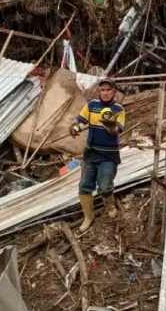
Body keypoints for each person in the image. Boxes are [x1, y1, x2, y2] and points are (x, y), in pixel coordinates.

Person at [72, 78, 126, 232]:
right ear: (99, 91)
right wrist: (75, 127)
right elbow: (81, 121)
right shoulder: (91, 106)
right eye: (103, 90)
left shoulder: (118, 109)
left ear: (114, 92)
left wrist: (110, 126)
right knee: (84, 186)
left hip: (109, 155)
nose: (105, 93)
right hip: (91, 153)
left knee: (104, 186)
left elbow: (117, 130)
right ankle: (88, 217)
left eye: (109, 90)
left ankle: (110, 207)